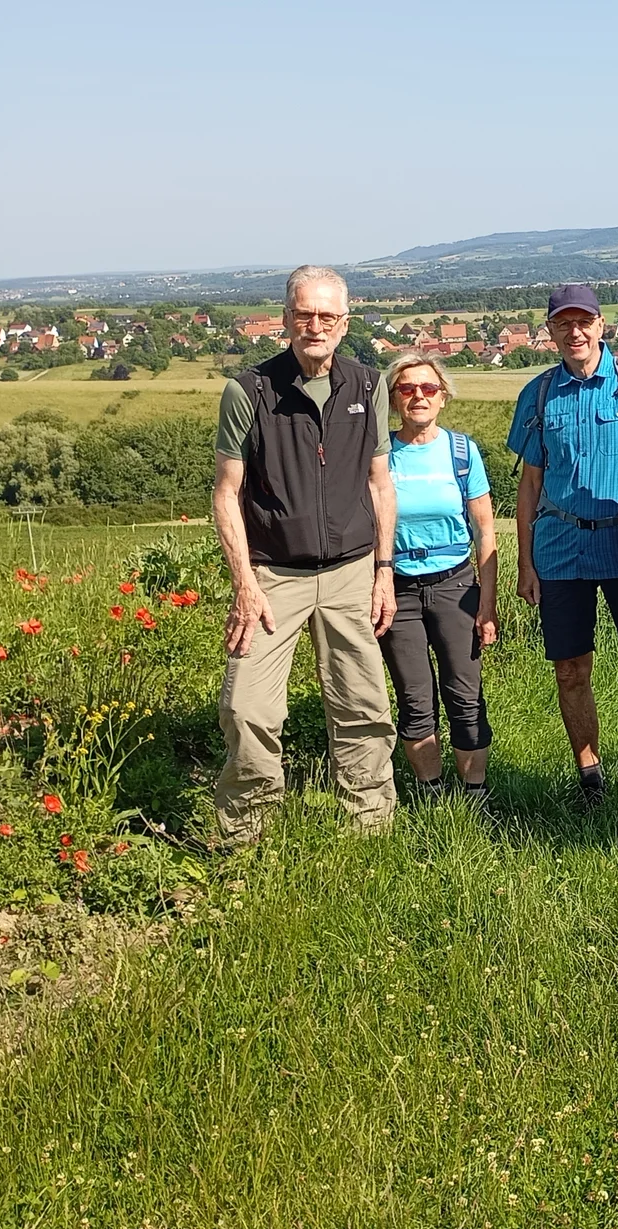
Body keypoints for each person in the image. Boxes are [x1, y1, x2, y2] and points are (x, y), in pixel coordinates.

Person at [210, 266, 398, 841]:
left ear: (345, 321)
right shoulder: (251, 390)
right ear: (286, 319)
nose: (315, 325)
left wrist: (384, 570)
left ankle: (369, 830)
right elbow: (226, 492)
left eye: (327, 315)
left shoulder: (368, 386)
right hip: (272, 576)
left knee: (363, 707)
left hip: (350, 571)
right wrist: (244, 584)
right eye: (303, 314)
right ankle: (246, 834)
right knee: (247, 708)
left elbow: (379, 484)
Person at [507, 284, 618, 811]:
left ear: (602, 326)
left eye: (584, 322)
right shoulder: (537, 395)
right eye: (564, 324)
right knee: (570, 669)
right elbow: (530, 483)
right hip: (560, 549)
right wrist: (525, 560)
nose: (575, 332)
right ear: (550, 331)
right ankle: (590, 779)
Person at [379, 350, 500, 811]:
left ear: (443, 396)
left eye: (428, 388)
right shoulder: (380, 454)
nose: (418, 397)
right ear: (393, 399)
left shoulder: (462, 452)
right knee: (415, 698)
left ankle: (474, 797)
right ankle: (431, 795)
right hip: (399, 588)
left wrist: (486, 605)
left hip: (455, 584)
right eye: (407, 389)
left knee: (465, 695)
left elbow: (486, 530)